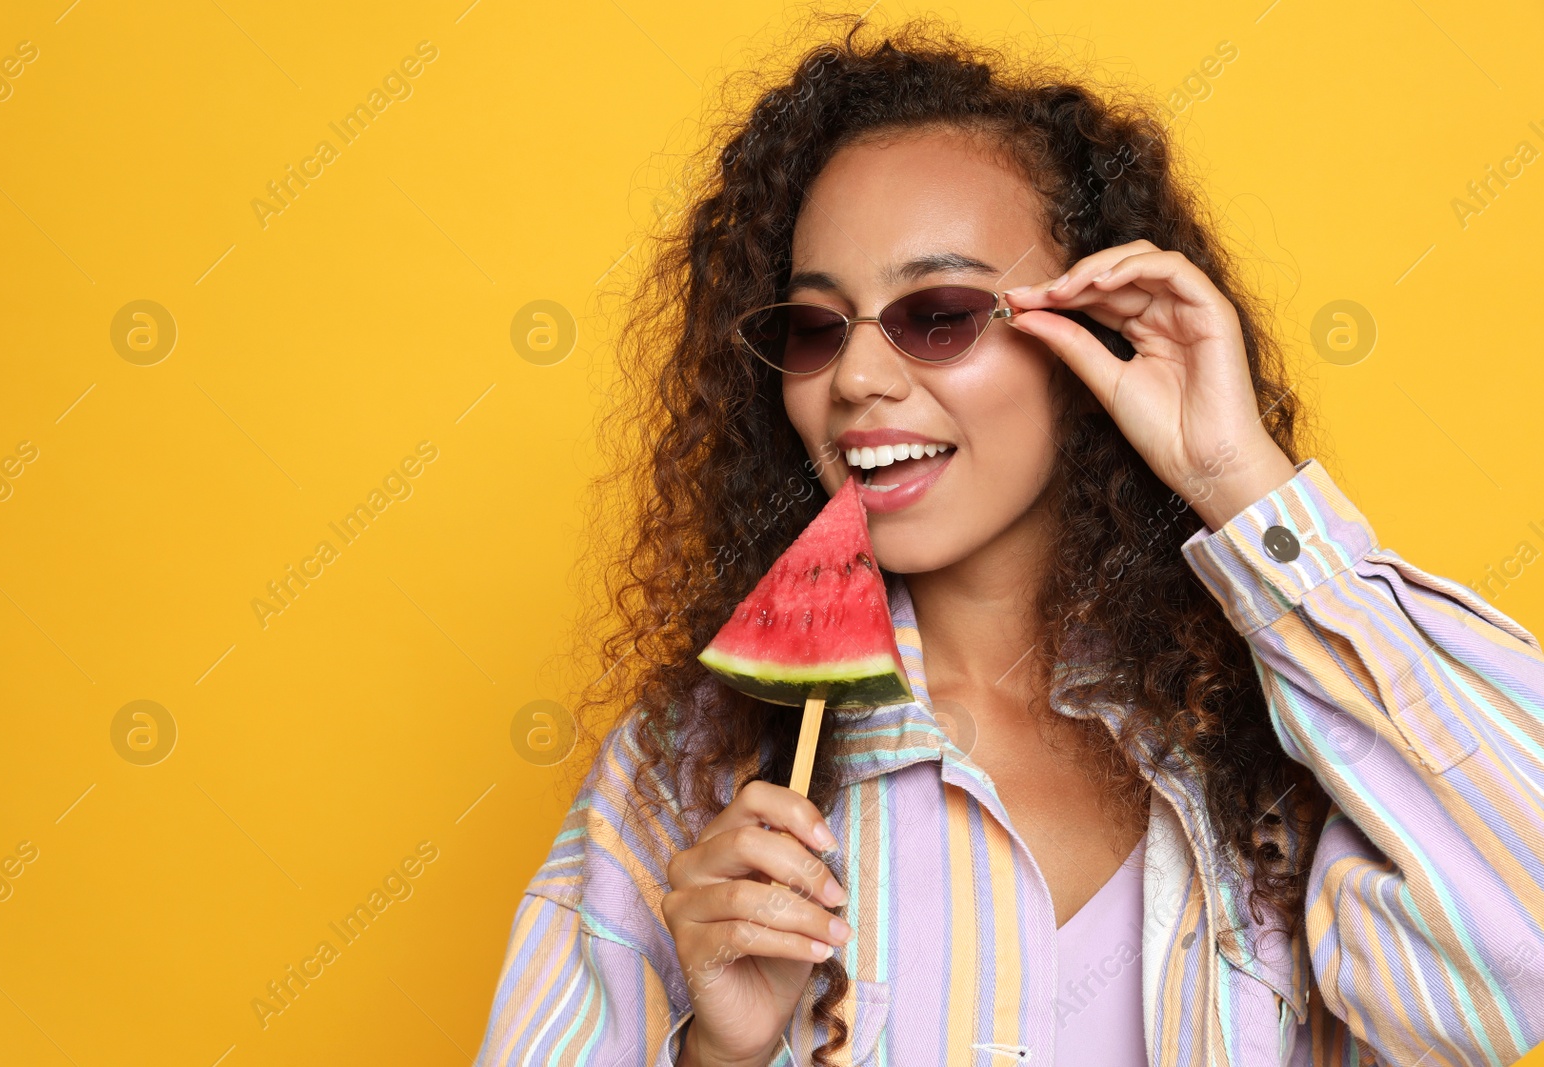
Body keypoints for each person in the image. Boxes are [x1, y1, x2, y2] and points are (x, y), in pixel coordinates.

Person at [476, 18, 1544, 1067]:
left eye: (935, 312)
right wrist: (720, 1052)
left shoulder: (1283, 746)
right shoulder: (695, 769)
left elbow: (1521, 949)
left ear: (1090, 332)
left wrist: (1237, 479)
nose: (854, 379)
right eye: (815, 325)